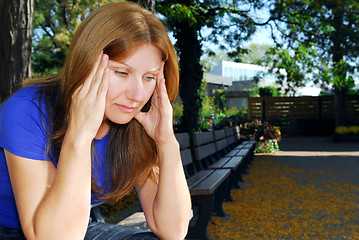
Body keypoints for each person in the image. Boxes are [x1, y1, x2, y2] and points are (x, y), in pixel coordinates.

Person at [0, 2, 192, 239]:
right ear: (86, 62)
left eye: (149, 77)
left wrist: (166, 143)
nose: (137, 95)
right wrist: (80, 137)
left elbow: (173, 230)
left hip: (74, 224)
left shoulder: (136, 124)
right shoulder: (27, 110)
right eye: (122, 72)